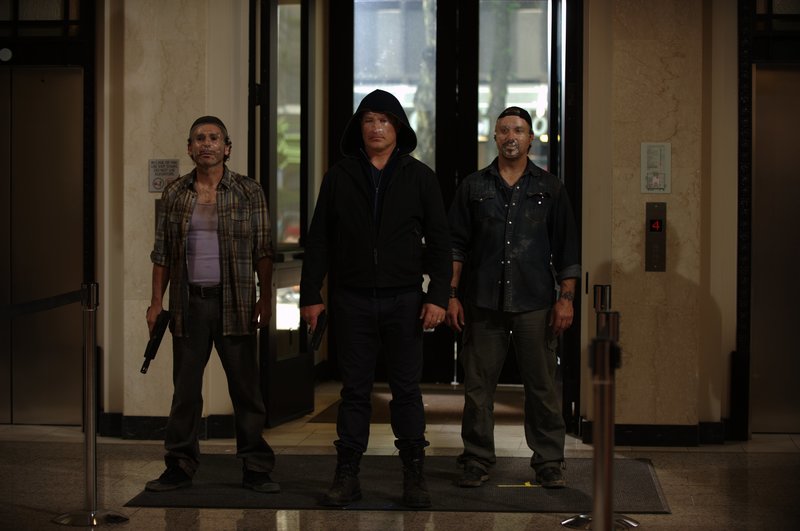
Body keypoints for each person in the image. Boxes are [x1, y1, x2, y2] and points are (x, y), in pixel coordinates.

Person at [299, 90, 451, 508]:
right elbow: (319, 240)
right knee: (354, 391)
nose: (376, 127)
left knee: (407, 391)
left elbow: (441, 244)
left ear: (397, 128)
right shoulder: (339, 176)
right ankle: (347, 476)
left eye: (384, 120)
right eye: (368, 120)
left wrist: (438, 296)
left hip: (405, 300)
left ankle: (414, 477)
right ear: (359, 127)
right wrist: (310, 294)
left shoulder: (420, 177)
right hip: (352, 299)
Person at [446, 106, 580, 489]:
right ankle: (476, 459)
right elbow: (455, 246)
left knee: (542, 386)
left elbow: (567, 250)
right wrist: (450, 295)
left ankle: (549, 461)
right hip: (482, 302)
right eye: (504, 130)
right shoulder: (474, 187)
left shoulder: (550, 188)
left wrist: (566, 299)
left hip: (535, 303)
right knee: (478, 387)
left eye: (518, 130)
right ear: (494, 136)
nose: (511, 137)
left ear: (530, 138)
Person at [145, 116, 279, 494]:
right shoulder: (175, 193)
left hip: (235, 302)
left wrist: (265, 297)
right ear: (190, 149)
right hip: (189, 305)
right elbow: (162, 254)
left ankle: (256, 466)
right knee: (185, 392)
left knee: (246, 390)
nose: (207, 143)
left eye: (214, 138)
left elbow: (264, 250)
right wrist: (155, 303)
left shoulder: (249, 191)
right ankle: (179, 465)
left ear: (227, 148)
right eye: (199, 138)